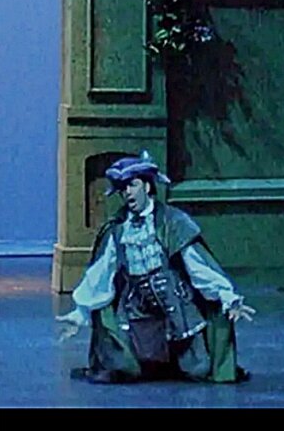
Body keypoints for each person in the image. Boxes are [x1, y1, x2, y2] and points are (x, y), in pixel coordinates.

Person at [56, 152, 255, 383]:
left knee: (198, 370)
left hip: (176, 305)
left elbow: (198, 266)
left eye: (132, 185)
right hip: (137, 309)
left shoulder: (173, 222)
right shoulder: (118, 229)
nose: (127, 192)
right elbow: (101, 273)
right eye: (123, 188)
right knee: (129, 366)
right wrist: (80, 312)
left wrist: (227, 296)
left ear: (147, 186)